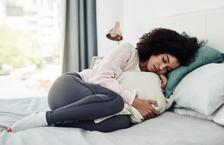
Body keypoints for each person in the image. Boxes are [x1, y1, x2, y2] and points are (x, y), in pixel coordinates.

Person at [7, 28, 200, 132]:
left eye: (168, 69)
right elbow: (100, 79)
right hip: (69, 87)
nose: (162, 67)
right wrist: (136, 101)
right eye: (163, 60)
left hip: (85, 105)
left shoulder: (151, 77)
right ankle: (43, 118)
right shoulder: (127, 51)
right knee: (115, 101)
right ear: (157, 48)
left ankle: (58, 123)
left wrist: (160, 81)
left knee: (123, 121)